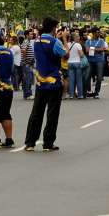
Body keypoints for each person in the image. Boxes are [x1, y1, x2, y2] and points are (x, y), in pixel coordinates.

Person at [23, 18, 68, 152]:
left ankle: (30, 142)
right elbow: (66, 55)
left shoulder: (36, 41)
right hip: (54, 81)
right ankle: (48, 143)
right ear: (54, 28)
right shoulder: (55, 42)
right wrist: (64, 39)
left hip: (40, 81)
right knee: (52, 113)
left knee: (36, 112)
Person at [0, 32, 17, 148]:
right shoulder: (9, 51)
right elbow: (12, 68)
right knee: (6, 114)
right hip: (8, 85)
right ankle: (9, 138)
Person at [84, 27, 108, 99]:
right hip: (90, 61)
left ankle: (96, 92)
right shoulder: (88, 41)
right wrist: (97, 49)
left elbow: (102, 49)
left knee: (99, 77)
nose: (99, 33)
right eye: (97, 32)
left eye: (99, 32)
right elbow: (87, 51)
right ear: (93, 33)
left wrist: (93, 49)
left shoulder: (101, 41)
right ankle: (88, 91)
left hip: (99, 61)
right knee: (87, 76)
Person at [66, 30, 87, 99]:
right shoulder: (78, 45)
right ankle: (80, 95)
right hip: (77, 63)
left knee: (71, 80)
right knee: (79, 80)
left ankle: (71, 95)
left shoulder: (68, 44)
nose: (79, 38)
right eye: (77, 36)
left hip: (69, 63)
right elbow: (81, 55)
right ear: (74, 37)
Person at [20, 31, 36, 100]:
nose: (32, 35)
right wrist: (25, 60)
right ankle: (28, 94)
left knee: (28, 79)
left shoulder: (28, 42)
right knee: (28, 79)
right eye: (30, 34)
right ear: (27, 35)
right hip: (27, 64)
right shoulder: (26, 41)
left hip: (28, 63)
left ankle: (27, 94)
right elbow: (23, 51)